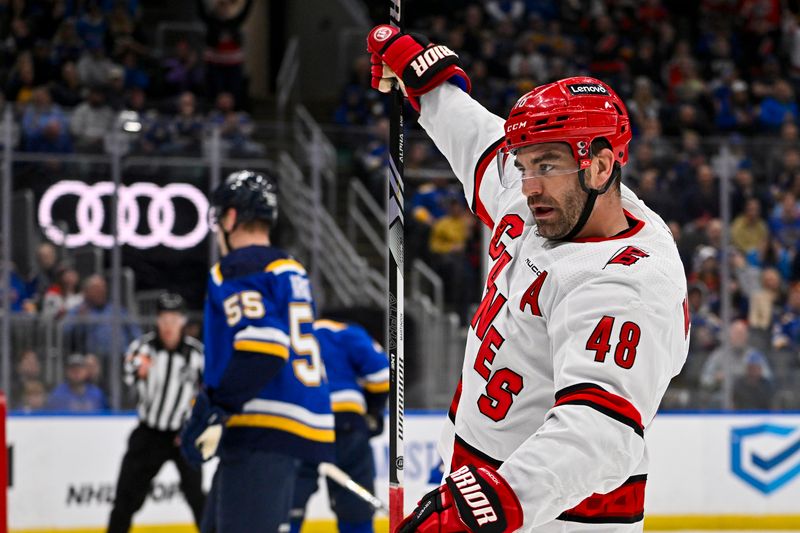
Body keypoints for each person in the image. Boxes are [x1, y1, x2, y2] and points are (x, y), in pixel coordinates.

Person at [367, 25, 689, 532]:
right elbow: (477, 140)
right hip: (481, 474)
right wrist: (424, 83)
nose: (528, 184)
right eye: (523, 164)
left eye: (547, 164)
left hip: (563, 511)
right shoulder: (545, 200)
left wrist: (488, 505)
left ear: (601, 165)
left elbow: (598, 433)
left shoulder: (630, 283)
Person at [180, 170, 334, 533]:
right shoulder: (290, 269)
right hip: (300, 429)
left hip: (262, 427)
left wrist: (214, 407)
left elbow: (265, 347)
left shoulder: (238, 267)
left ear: (231, 218)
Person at [107, 292, 205, 533]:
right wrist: (139, 370)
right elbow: (129, 373)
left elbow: (208, 394)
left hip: (183, 435)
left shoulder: (197, 354)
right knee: (126, 498)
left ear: (183, 322)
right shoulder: (143, 348)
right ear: (157, 321)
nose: (169, 325)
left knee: (198, 499)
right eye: (164, 319)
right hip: (150, 433)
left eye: (174, 319)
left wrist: (195, 427)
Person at [289, 318, 389, 533]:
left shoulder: (287, 332)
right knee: (356, 511)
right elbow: (381, 376)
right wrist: (372, 411)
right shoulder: (343, 332)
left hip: (298, 426)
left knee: (287, 508)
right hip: (346, 423)